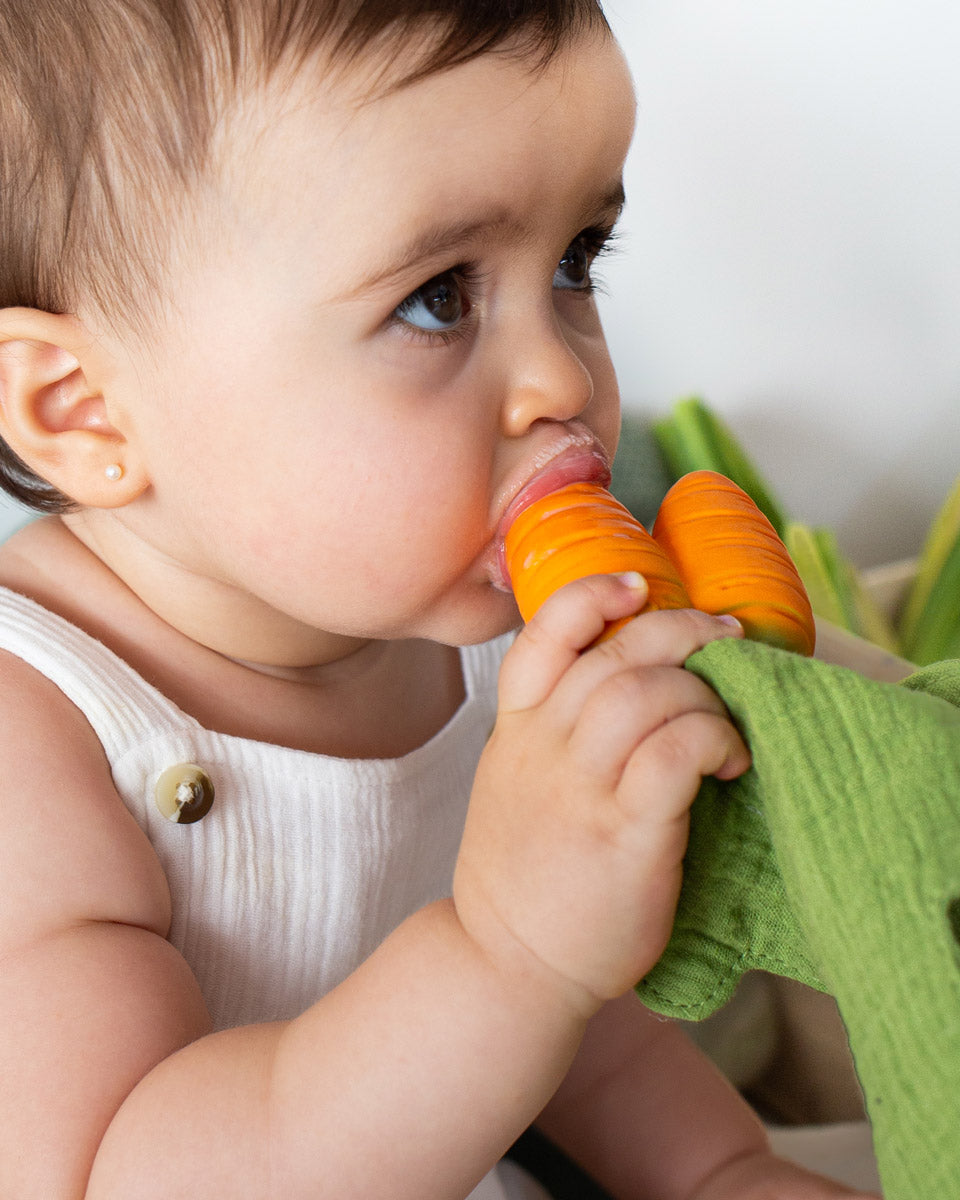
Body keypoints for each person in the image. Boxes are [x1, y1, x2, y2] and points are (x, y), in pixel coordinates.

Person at [0, 3, 877, 1197]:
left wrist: (717, 1169)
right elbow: (115, 1173)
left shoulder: (478, 628)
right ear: (86, 410)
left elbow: (581, 1023)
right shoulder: (36, 730)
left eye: (576, 261)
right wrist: (507, 953)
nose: (565, 376)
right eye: (437, 299)